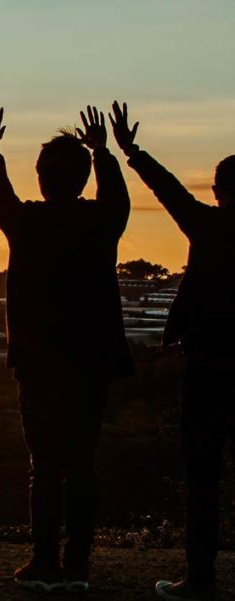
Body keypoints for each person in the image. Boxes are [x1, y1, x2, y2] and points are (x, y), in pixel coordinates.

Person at [0, 103, 134, 594]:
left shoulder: (27, 223)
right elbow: (118, 198)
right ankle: (78, 566)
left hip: (39, 365)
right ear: (84, 178)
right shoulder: (102, 221)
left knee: (44, 465)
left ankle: (44, 562)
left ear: (42, 178)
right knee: (82, 463)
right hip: (90, 363)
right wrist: (104, 153)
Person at [107, 102, 234, 601]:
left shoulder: (209, 225)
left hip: (207, 366)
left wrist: (131, 150)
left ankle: (200, 578)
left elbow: (169, 191)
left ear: (219, 192)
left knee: (202, 475)